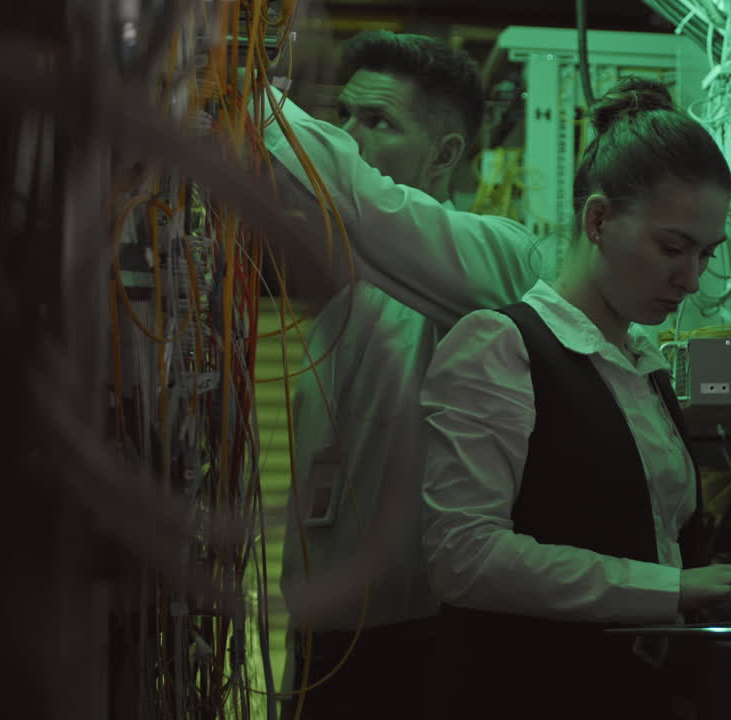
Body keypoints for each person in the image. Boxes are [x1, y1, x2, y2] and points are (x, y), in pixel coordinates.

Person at [419, 77, 731, 720]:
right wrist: (671, 588)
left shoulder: (643, 366)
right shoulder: (501, 347)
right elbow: (464, 555)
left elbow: (650, 544)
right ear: (598, 219)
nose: (691, 278)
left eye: (705, 253)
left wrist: (708, 591)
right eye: (673, 248)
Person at [262, 31, 541, 718]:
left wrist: (251, 99)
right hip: (317, 648)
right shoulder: (348, 299)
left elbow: (364, 205)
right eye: (346, 116)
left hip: (421, 649)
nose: (350, 137)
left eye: (378, 121)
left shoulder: (499, 260)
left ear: (446, 154)